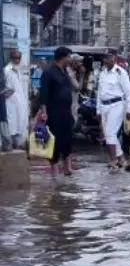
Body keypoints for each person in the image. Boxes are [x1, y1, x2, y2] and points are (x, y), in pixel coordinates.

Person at [36, 46, 77, 176]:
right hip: (54, 111)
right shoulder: (48, 72)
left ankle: (67, 166)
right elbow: (44, 93)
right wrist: (44, 111)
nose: (70, 59)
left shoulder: (65, 71)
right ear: (63, 57)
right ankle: (54, 167)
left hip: (66, 111)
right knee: (54, 140)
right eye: (69, 57)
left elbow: (75, 88)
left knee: (67, 138)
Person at [95, 50, 130, 170]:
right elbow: (100, 93)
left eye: (112, 57)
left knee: (110, 133)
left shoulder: (120, 73)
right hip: (104, 106)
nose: (110, 59)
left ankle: (113, 160)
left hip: (117, 104)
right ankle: (121, 159)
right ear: (105, 59)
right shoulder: (102, 73)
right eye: (108, 57)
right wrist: (98, 110)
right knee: (108, 135)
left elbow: (129, 92)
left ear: (115, 58)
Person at [2, 50, 25, 151]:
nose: (17, 60)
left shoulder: (18, 70)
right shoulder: (6, 70)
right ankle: (9, 144)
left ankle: (16, 144)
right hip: (10, 102)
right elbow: (4, 87)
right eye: (15, 58)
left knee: (19, 123)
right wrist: (7, 91)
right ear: (11, 58)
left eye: (19, 58)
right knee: (11, 124)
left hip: (19, 102)